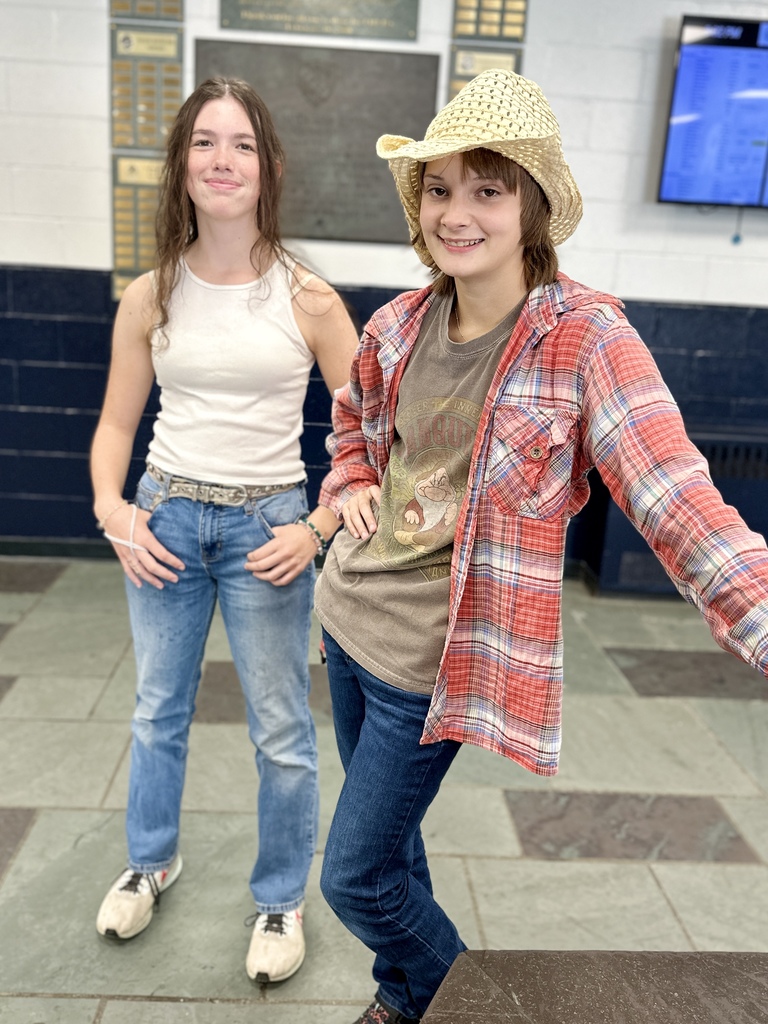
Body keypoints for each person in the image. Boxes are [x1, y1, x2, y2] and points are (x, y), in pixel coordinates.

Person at [313, 67, 768, 1023]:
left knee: (355, 880)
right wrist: (352, 481)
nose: (458, 212)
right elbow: (352, 425)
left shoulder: (585, 338)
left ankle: (485, 1007)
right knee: (392, 852)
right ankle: (408, 1002)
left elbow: (674, 493)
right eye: (440, 189)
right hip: (347, 621)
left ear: (533, 207)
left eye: (488, 188)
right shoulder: (397, 326)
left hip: (430, 663)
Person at [90, 76, 357, 983]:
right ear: (183, 164)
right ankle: (149, 858)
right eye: (205, 141)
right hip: (163, 521)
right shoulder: (151, 293)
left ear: (268, 166)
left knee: (281, 727)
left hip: (267, 531)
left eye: (240, 143)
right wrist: (113, 512)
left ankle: (282, 897)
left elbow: (373, 436)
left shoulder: (310, 297)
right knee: (157, 710)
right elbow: (118, 427)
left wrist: (318, 525)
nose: (222, 159)